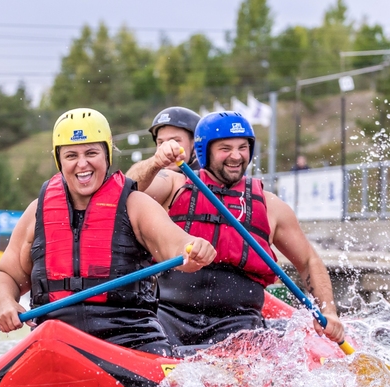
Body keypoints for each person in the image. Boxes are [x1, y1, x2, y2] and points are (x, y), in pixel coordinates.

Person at [0, 108, 216, 356]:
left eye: (91, 153)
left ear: (107, 155)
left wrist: (194, 249)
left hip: (130, 338)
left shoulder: (135, 204)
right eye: (71, 155)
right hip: (56, 341)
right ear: (59, 160)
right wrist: (6, 302)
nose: (82, 163)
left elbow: (177, 246)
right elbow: (6, 274)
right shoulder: (37, 212)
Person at [125, 111, 345, 351]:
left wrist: (328, 311)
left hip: (239, 326)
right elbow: (127, 189)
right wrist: (156, 162)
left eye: (243, 147)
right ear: (204, 151)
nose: (236, 156)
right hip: (170, 318)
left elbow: (308, 260)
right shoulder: (174, 184)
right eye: (225, 148)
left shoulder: (272, 206)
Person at [128, 107, 201, 190]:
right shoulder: (158, 179)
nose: (166, 147)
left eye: (175, 140)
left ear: (195, 145)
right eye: (161, 142)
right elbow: (124, 188)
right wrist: (155, 162)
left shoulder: (212, 176)